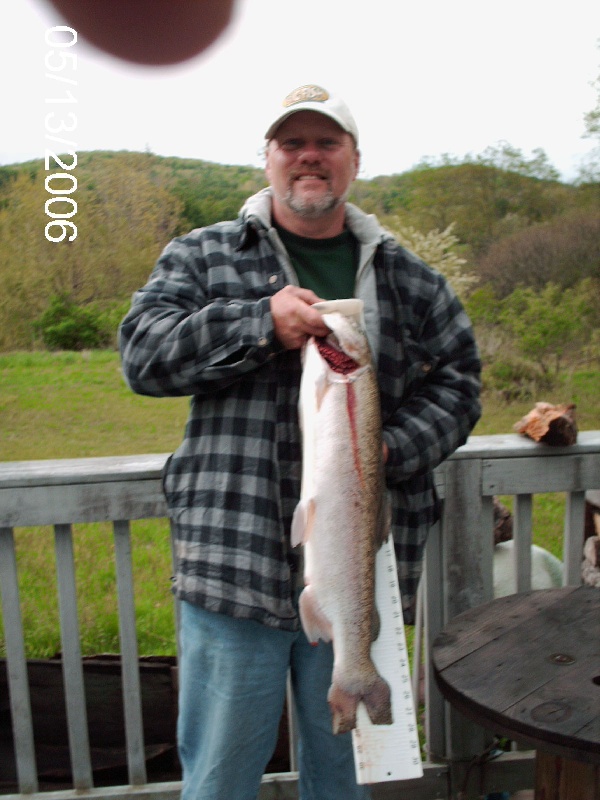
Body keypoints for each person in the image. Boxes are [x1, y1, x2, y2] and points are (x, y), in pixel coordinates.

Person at [119, 84, 481, 800]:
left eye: (326, 143)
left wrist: (386, 447)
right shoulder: (202, 256)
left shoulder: (412, 280)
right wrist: (258, 323)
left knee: (342, 778)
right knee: (220, 778)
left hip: (359, 577)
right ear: (268, 158)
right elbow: (143, 355)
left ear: (353, 161)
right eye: (292, 143)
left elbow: (460, 384)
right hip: (232, 568)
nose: (309, 156)